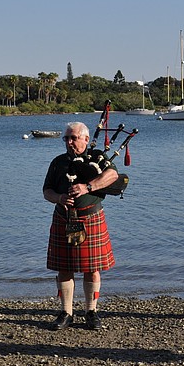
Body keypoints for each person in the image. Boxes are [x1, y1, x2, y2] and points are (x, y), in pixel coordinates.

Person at [43, 122, 119, 331]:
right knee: (64, 268)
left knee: (92, 269)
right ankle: (66, 313)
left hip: (90, 216)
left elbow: (113, 175)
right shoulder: (58, 162)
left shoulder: (98, 158)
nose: (69, 142)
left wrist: (88, 187)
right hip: (64, 218)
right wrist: (59, 198)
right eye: (66, 138)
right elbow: (46, 191)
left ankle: (91, 312)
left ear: (86, 139)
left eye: (74, 138)